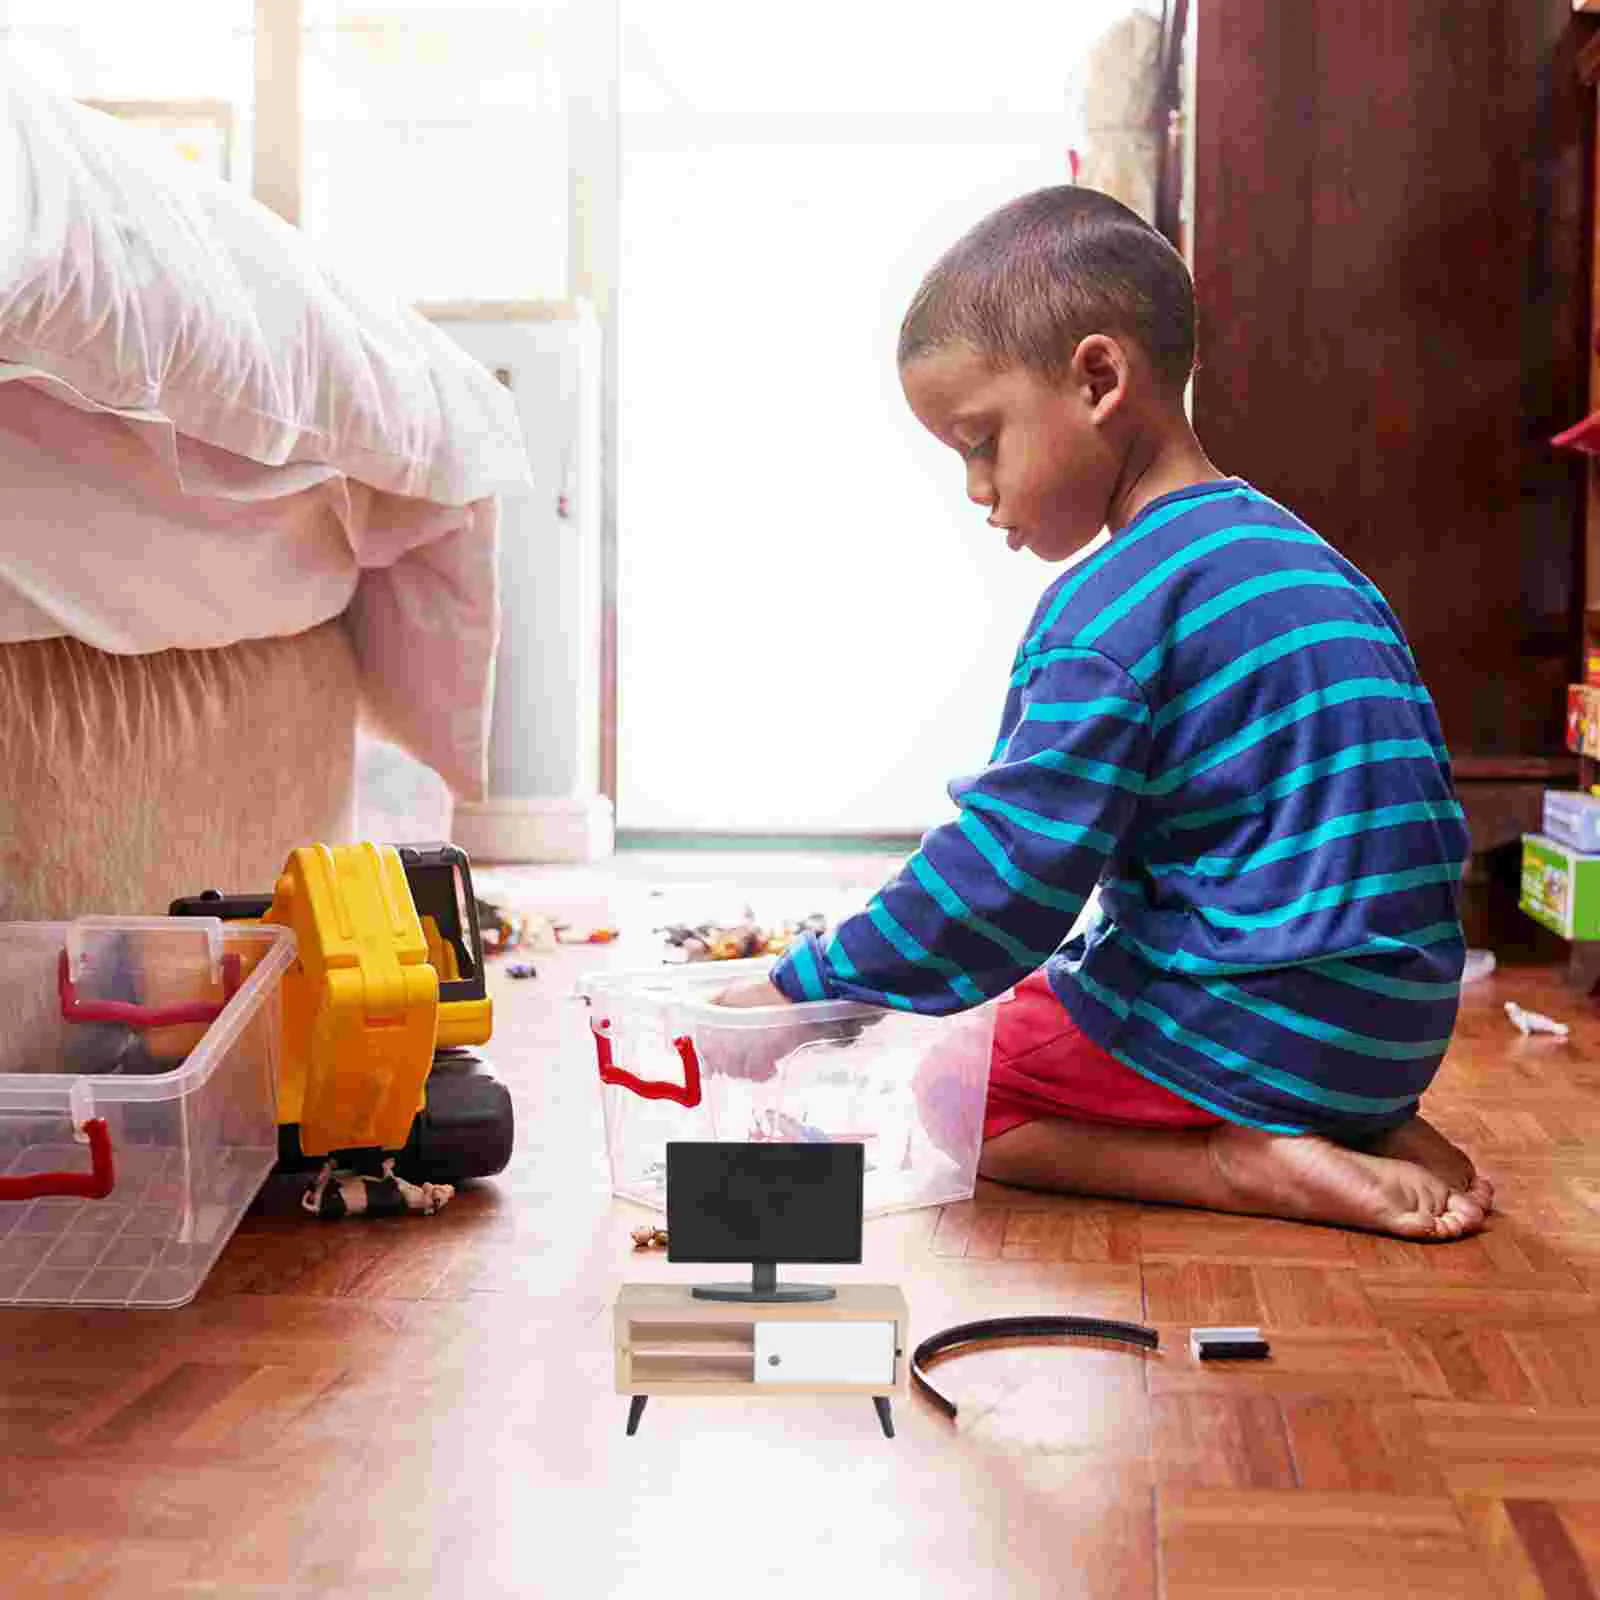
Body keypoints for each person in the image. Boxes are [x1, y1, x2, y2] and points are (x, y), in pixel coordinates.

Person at [713, 185, 1491, 1241]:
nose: (978, 488)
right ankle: (1355, 1125)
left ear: (1096, 378)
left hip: (1252, 1029)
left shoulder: (1108, 609)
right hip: (1392, 1030)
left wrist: (809, 995)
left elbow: (1007, 878)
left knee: (961, 1084)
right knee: (1074, 984)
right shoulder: (1309, 560)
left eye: (980, 440)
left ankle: (1238, 1160)